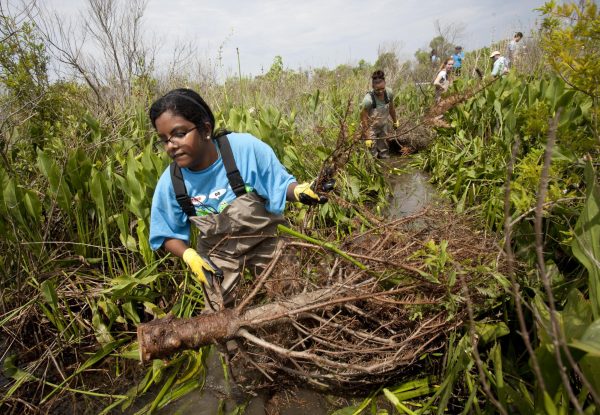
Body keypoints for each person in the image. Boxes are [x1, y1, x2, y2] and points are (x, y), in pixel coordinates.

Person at [148, 88, 327, 310]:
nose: (171, 146)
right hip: (217, 255)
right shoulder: (172, 183)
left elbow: (279, 185)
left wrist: (299, 192)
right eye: (164, 140)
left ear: (205, 129)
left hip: (265, 240)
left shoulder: (244, 149)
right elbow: (165, 233)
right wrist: (188, 255)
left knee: (296, 293)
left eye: (179, 134)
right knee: (219, 315)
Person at [360, 70, 399, 159]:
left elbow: (391, 109)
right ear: (373, 86)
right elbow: (364, 119)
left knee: (384, 151)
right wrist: (367, 137)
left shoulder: (389, 93)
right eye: (377, 89)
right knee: (372, 154)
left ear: (385, 83)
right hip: (371, 129)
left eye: (382, 88)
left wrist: (395, 121)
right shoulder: (368, 100)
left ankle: (385, 167)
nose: (381, 91)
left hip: (383, 126)